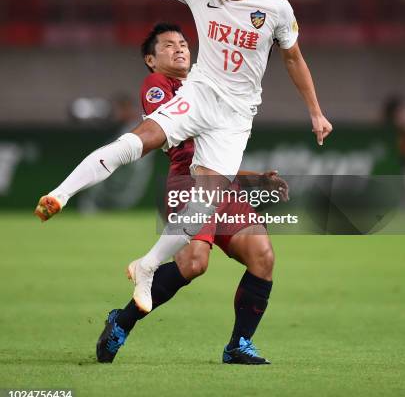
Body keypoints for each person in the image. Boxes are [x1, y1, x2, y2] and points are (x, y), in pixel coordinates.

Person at [35, 0, 332, 318]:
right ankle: (62, 193)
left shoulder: (276, 8)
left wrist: (315, 110)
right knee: (140, 139)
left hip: (235, 117)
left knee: (204, 204)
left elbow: (293, 58)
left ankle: (147, 265)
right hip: (200, 93)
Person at [96, 22, 288, 365]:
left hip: (221, 185)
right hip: (188, 183)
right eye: (168, 45)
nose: (179, 48)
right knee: (193, 263)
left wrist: (252, 177)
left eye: (183, 42)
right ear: (151, 60)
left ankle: (238, 345)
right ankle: (122, 321)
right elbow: (184, 135)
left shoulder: (205, 82)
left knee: (263, 256)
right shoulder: (158, 85)